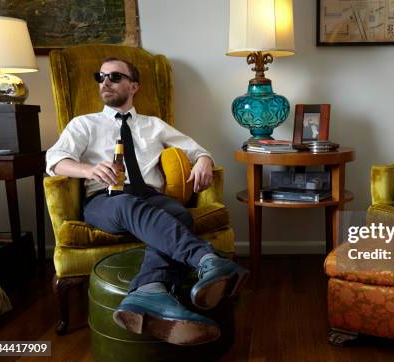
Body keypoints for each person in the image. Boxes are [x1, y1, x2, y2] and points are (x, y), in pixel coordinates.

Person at [46, 57, 249, 346]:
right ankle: (207, 260)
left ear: (134, 86)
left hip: (150, 197)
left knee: (179, 213)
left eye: (115, 77)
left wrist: (203, 160)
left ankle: (150, 290)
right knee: (133, 206)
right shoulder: (84, 124)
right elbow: (54, 160)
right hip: (108, 199)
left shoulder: (154, 125)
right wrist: (88, 170)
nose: (105, 82)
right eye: (100, 76)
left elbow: (195, 149)